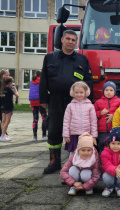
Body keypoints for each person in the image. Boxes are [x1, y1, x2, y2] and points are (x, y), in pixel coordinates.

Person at [40, 30, 93, 174]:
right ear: (62, 40)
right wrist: (43, 100)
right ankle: (54, 161)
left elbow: (88, 82)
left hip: (76, 101)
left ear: (76, 42)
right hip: (55, 99)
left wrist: (89, 100)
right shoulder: (50, 57)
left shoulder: (82, 60)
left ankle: (77, 162)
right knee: (54, 129)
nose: (70, 42)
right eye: (68, 39)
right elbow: (43, 79)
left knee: (76, 131)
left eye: (73, 40)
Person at [63, 81, 97, 157]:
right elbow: (66, 121)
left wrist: (94, 136)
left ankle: (85, 166)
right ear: (73, 93)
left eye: (81, 92)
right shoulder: (70, 106)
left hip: (86, 135)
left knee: (85, 153)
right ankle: (72, 166)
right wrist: (66, 135)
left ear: (86, 92)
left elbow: (93, 121)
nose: (79, 94)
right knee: (73, 153)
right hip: (73, 135)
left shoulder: (90, 106)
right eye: (76, 92)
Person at [94, 81, 120, 153]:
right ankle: (101, 162)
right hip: (102, 130)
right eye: (106, 90)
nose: (108, 92)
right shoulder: (98, 102)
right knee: (102, 146)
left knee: (114, 147)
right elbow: (93, 114)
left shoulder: (119, 101)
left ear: (114, 92)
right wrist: (100, 113)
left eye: (111, 90)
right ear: (103, 91)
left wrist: (114, 116)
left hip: (115, 129)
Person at [101, 127, 120, 197]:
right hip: (109, 172)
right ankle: (109, 187)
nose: (116, 146)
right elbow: (106, 165)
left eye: (118, 144)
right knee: (106, 177)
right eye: (113, 143)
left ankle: (119, 186)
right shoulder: (104, 153)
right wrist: (115, 170)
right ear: (109, 143)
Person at [29, 70, 48, 142]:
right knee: (44, 117)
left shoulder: (31, 82)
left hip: (32, 102)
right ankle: (44, 135)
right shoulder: (41, 81)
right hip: (40, 101)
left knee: (35, 119)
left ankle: (34, 136)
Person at [0, 77, 18, 142]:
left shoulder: (2, 89)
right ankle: (2, 135)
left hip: (2, 107)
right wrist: (15, 89)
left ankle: (3, 135)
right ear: (10, 83)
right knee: (7, 121)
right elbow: (17, 95)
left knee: (3, 121)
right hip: (8, 107)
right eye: (12, 83)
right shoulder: (9, 89)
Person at [0, 69, 10, 135]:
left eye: (8, 76)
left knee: (3, 119)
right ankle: (3, 133)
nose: (7, 77)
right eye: (6, 76)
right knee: (2, 118)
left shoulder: (4, 83)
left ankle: (3, 133)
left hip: (3, 102)